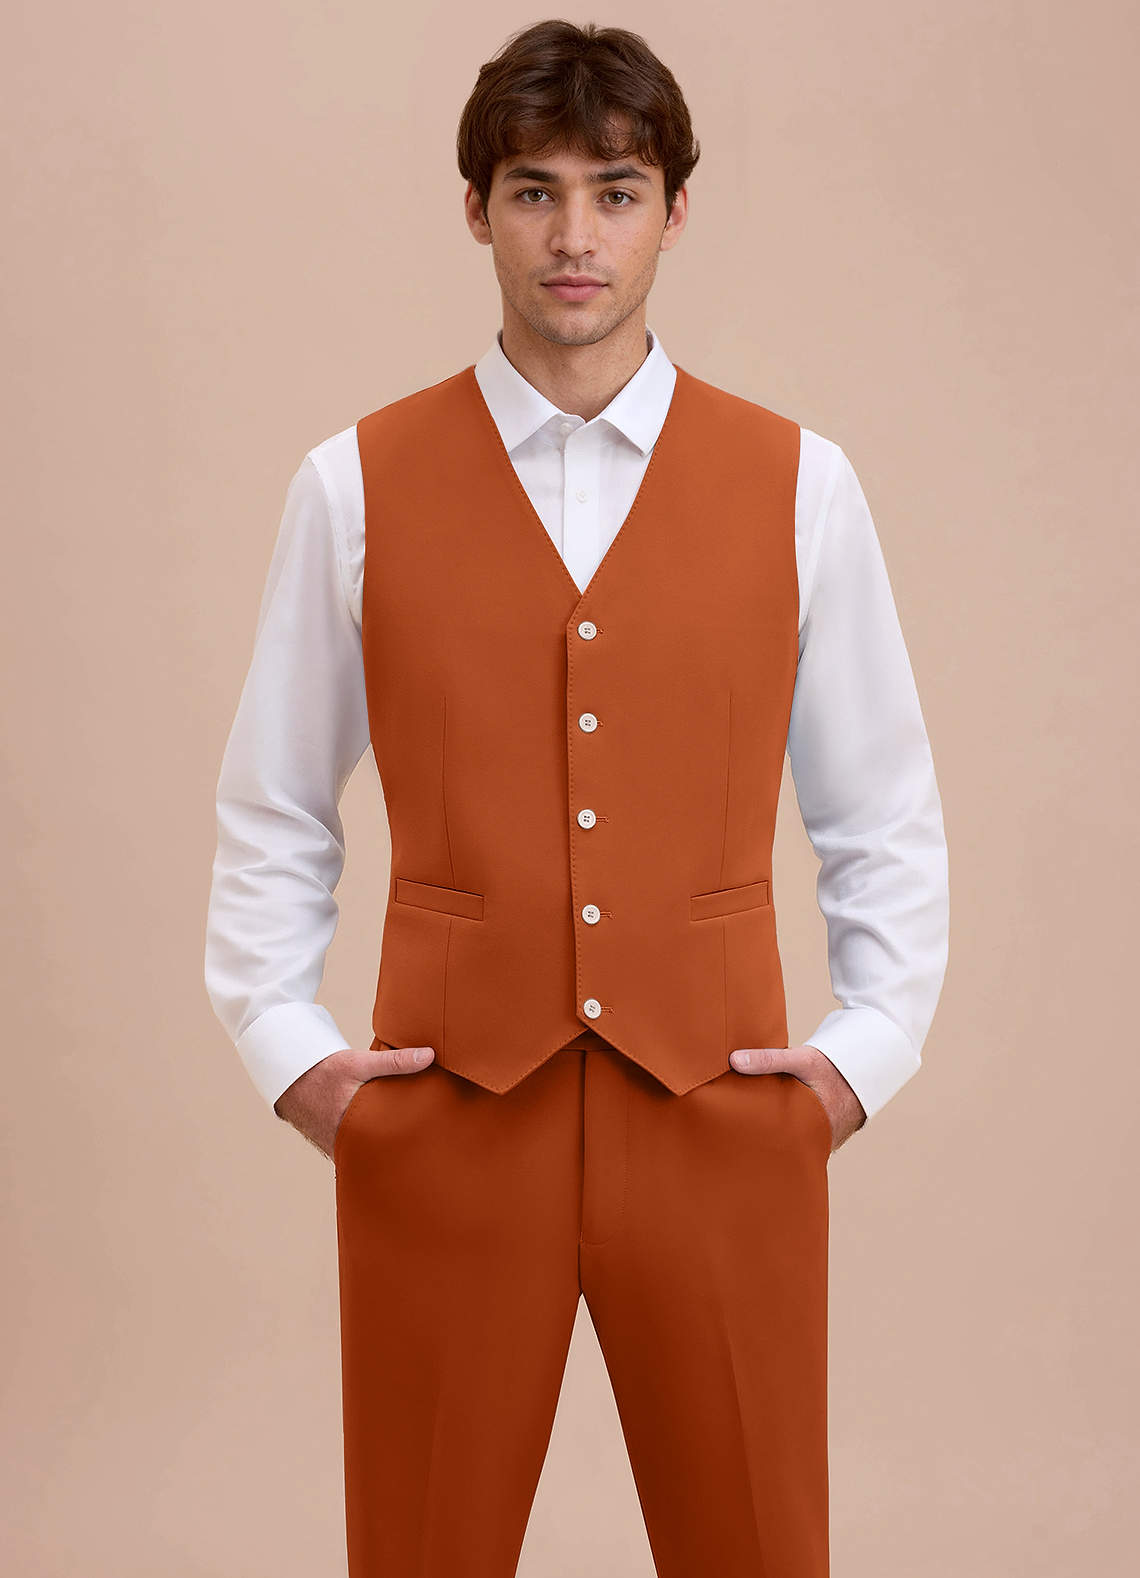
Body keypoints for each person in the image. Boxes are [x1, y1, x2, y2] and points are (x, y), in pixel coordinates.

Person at [205, 18, 949, 1577]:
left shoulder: (802, 484)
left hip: (721, 1116)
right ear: (475, 209)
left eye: (616, 192)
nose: (574, 237)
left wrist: (858, 1058)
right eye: (534, 192)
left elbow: (881, 808)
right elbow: (275, 804)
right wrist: (294, 1053)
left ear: (676, 211)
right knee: (420, 1549)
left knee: (757, 1549)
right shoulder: (352, 484)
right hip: (449, 1120)